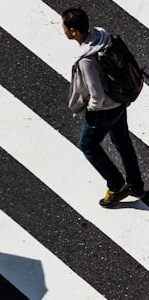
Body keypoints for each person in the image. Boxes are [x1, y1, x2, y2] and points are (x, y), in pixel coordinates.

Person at [61, 8, 146, 207]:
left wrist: (91, 110)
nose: (63, 29)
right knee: (123, 142)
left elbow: (96, 95)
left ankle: (116, 185)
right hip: (120, 100)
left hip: (104, 110)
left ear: (73, 31)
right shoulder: (102, 36)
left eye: (64, 27)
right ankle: (136, 185)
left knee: (88, 145)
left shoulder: (86, 61)